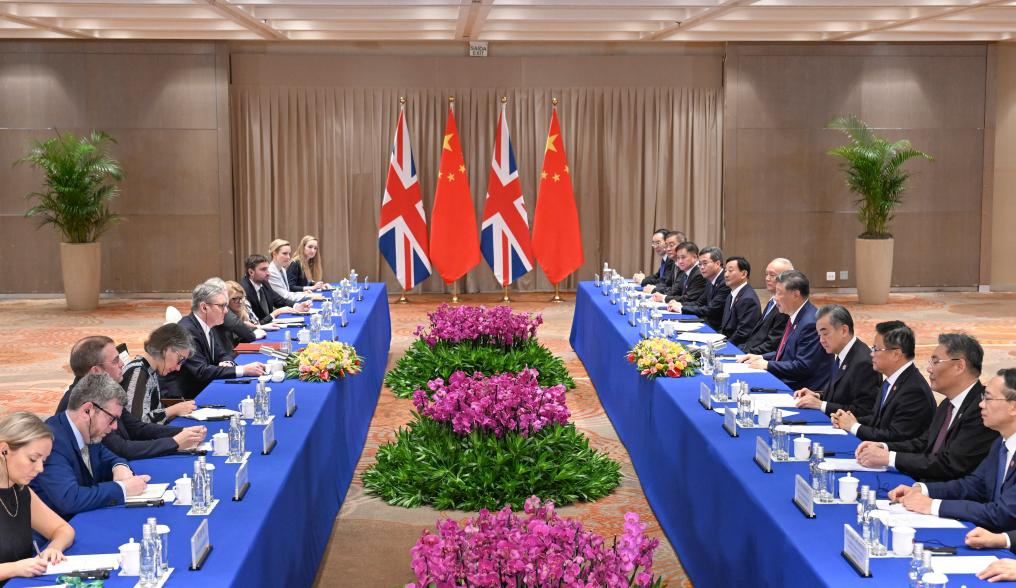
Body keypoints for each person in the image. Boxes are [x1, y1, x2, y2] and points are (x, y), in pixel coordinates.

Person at [855, 333, 995, 482]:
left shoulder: (982, 410)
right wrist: (884, 447)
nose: (928, 369)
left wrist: (890, 458)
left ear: (959, 366)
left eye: (935, 362)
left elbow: (950, 464)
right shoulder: (947, 404)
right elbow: (923, 443)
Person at [888, 369, 1016, 532]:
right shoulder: (1000, 443)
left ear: (1013, 407)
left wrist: (933, 506)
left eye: (988, 398)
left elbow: (1001, 514)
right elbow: (974, 485)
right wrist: (924, 490)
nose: (981, 404)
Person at [56, 336, 206, 459]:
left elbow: (136, 428)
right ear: (96, 370)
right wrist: (174, 442)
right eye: (115, 361)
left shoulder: (106, 390)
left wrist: (184, 431)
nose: (122, 364)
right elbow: (121, 449)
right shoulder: (83, 404)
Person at [31, 373, 150, 519]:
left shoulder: (90, 434)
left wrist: (120, 467)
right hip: (58, 530)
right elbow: (69, 499)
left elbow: (111, 458)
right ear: (87, 410)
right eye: (112, 419)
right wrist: (123, 489)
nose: (114, 427)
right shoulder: (51, 441)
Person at [0, 412, 74, 585]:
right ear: (4, 450)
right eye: (33, 459)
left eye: (44, 461)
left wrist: (54, 547)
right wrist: (14, 569)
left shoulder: (20, 491)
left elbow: (64, 529)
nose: (40, 468)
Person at [160, 278, 266, 399]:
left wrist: (228, 362)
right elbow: (201, 371)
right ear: (204, 308)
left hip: (203, 386)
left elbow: (221, 353)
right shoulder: (187, 331)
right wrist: (243, 370)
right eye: (222, 306)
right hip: (186, 396)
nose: (226, 311)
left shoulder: (205, 325)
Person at [831, 320, 935, 442]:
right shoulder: (891, 380)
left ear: (896, 354)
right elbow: (877, 420)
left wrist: (853, 426)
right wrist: (850, 419)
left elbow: (895, 436)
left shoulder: (914, 391)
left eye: (876, 349)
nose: (871, 354)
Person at [741, 270, 828, 391]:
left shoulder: (810, 323)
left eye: (779, 293)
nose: (775, 298)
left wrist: (768, 365)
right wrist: (761, 357)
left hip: (801, 389)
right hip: (789, 379)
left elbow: (803, 366)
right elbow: (786, 353)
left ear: (795, 295)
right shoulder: (796, 315)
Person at [794, 304, 880, 418]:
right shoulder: (841, 353)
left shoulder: (863, 363)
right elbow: (841, 394)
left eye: (825, 334)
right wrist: (817, 396)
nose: (821, 340)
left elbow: (864, 410)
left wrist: (821, 405)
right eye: (819, 335)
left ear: (844, 330)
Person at [740, 258, 793, 355]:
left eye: (772, 275)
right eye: (766, 274)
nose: (767, 278)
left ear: (787, 279)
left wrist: (745, 353)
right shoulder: (772, 300)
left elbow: (772, 344)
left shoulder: (785, 307)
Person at [669, 247, 730, 330]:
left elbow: (711, 310)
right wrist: (679, 304)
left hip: (716, 328)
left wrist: (681, 308)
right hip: (706, 321)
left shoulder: (725, 282)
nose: (701, 267)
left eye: (705, 263)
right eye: (700, 264)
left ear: (718, 264)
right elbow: (699, 303)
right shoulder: (710, 279)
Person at [241, 254, 309, 324]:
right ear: (251, 272)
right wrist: (275, 313)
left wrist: (297, 306)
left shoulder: (264, 282)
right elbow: (254, 324)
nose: (268, 273)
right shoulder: (244, 292)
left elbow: (279, 300)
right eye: (263, 269)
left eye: (267, 269)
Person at [719, 256, 760, 347]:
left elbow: (743, 333)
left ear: (744, 274)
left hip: (738, 347)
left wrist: (722, 345)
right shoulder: (731, 294)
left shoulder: (748, 299)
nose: (726, 275)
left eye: (730, 271)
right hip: (727, 341)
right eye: (725, 271)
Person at [222, 280, 270, 348]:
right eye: (234, 299)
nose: (240, 302)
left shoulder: (245, 308)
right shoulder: (224, 316)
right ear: (226, 300)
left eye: (241, 298)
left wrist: (257, 327)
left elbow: (254, 326)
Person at [267, 239, 312, 305]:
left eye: (289, 254)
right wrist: (310, 296)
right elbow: (285, 296)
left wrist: (303, 293)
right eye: (284, 254)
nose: (288, 257)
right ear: (274, 254)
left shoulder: (282, 269)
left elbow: (287, 292)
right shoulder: (271, 272)